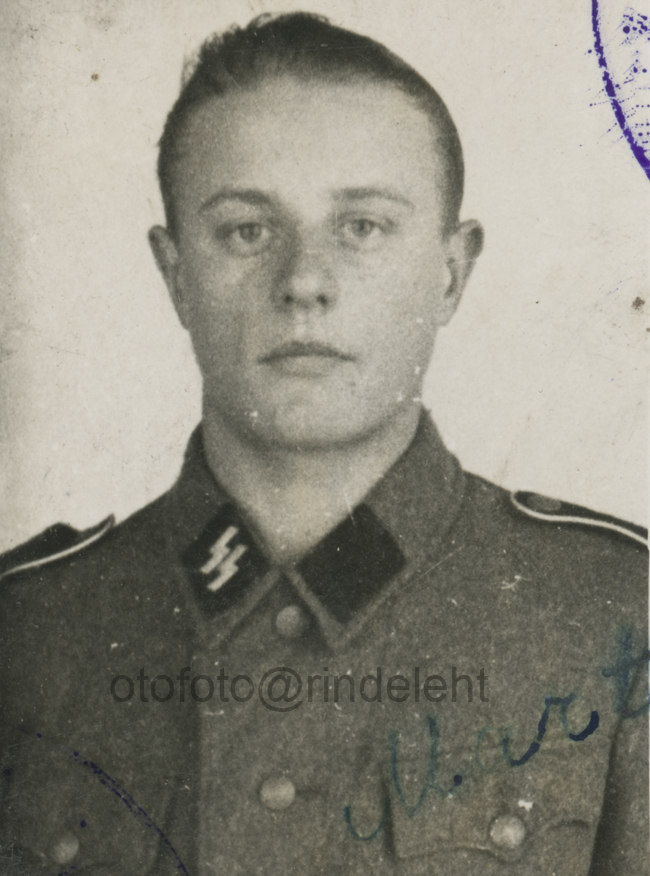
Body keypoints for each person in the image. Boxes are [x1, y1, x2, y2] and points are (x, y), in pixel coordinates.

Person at [0, 12, 647, 876]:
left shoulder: (617, 614)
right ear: (176, 275)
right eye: (247, 230)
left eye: (363, 226)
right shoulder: (28, 628)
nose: (304, 281)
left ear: (450, 272)